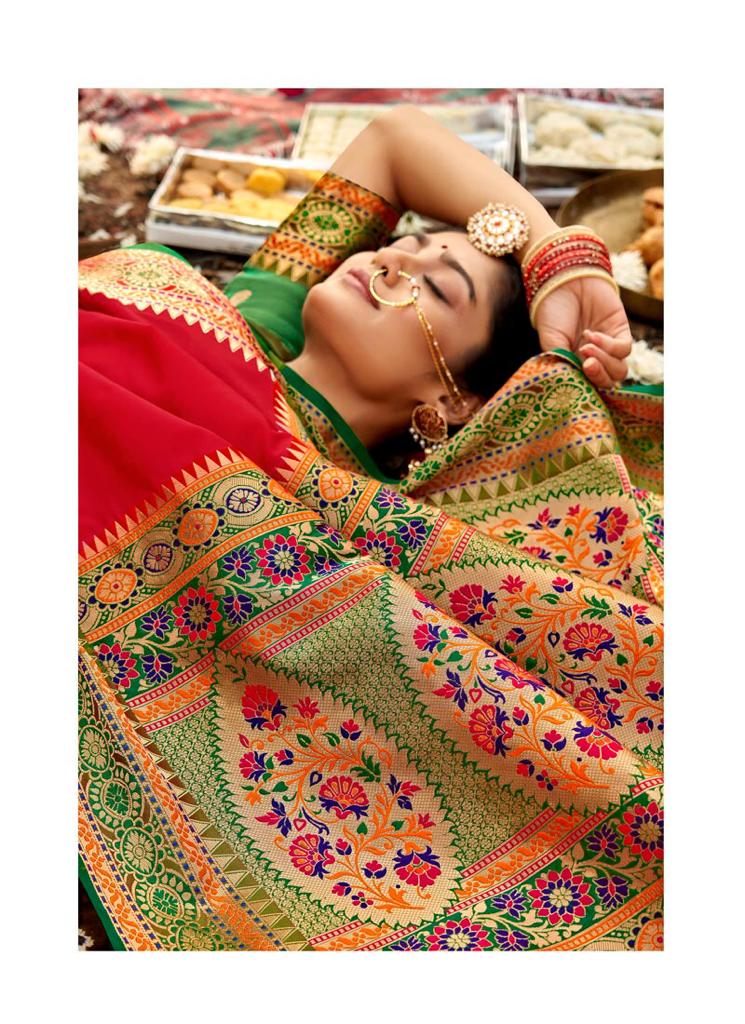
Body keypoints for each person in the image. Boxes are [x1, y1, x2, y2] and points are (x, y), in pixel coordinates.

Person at [78, 105, 663, 952]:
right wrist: (559, 259)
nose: (391, 259)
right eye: (404, 245)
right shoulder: (258, 311)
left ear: (451, 401)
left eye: (436, 286)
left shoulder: (344, 516)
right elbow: (394, 142)